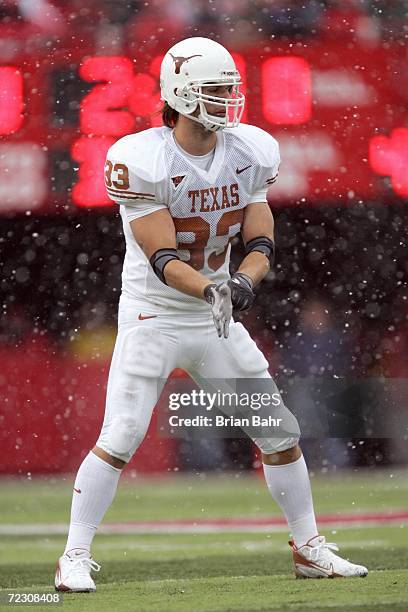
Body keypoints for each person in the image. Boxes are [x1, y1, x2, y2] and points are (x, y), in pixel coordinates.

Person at [55, 36, 368, 592]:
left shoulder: (249, 149)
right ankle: (73, 556)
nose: (228, 99)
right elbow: (162, 258)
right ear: (180, 94)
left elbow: (259, 228)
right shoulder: (142, 158)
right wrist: (213, 289)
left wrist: (247, 277)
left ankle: (309, 549)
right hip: (156, 315)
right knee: (122, 434)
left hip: (215, 317)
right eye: (216, 90)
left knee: (279, 434)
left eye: (230, 88)